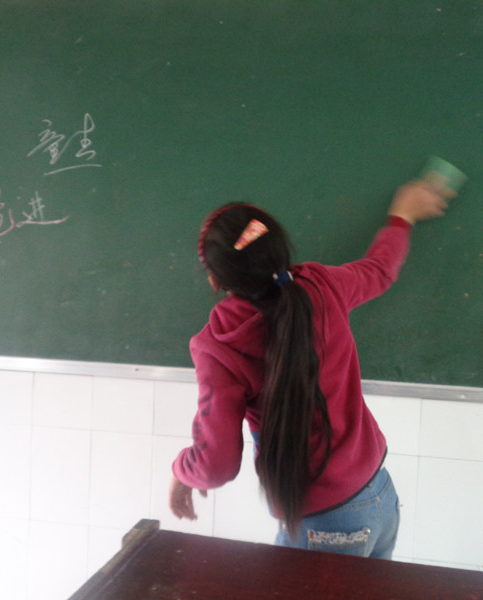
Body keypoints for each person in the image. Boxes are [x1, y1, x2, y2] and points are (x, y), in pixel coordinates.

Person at [169, 179, 454, 558]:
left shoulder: (220, 345)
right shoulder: (322, 286)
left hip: (323, 524)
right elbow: (379, 269)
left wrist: (182, 471)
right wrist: (401, 216)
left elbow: (215, 466)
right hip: (380, 495)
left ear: (215, 279)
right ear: (278, 251)